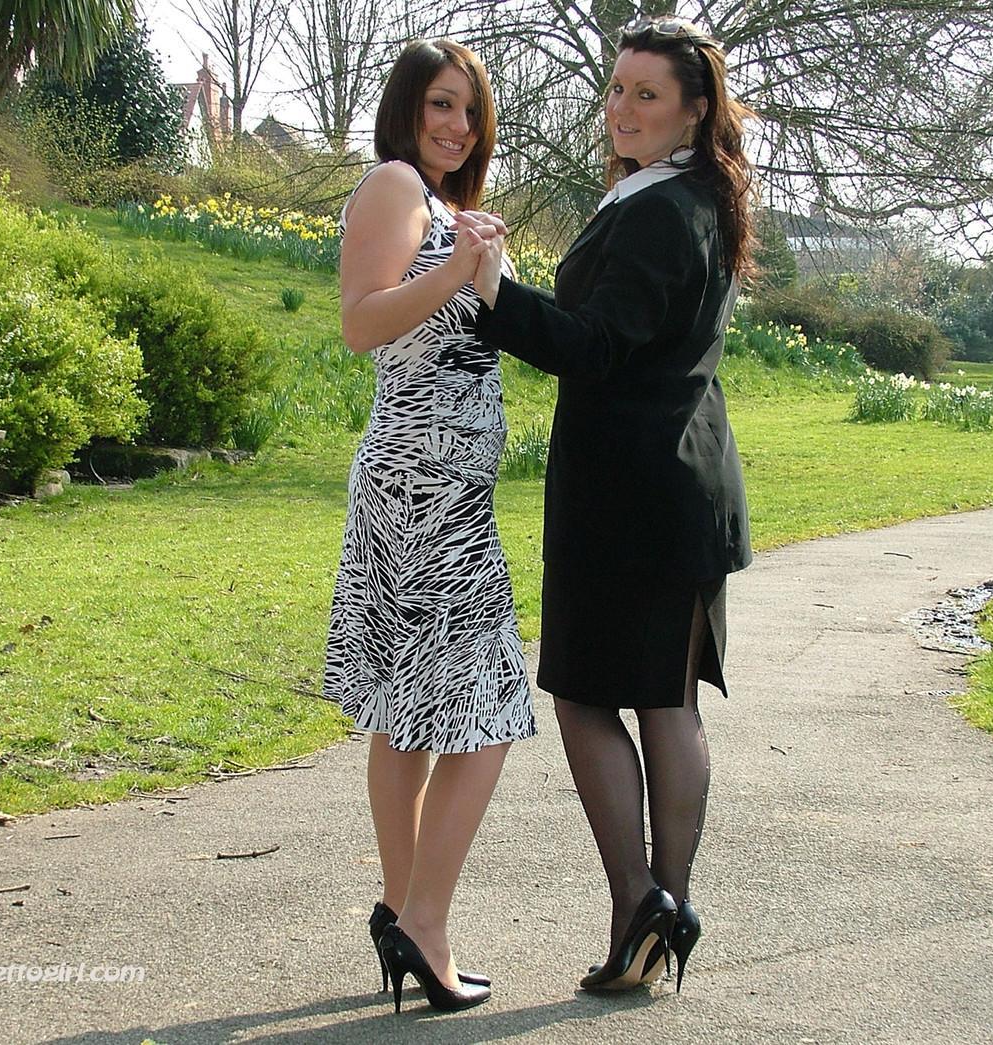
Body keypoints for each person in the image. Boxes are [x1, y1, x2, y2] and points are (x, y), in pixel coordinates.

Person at [461, 16, 755, 994]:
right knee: (660, 700)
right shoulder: (693, 201)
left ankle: (642, 903)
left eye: (645, 95)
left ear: (692, 110)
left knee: (589, 695)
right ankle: (653, 914)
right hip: (677, 488)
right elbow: (621, 334)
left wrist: (491, 288)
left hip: (631, 492)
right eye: (616, 89)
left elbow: (590, 346)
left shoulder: (660, 210)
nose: (621, 109)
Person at [322, 38, 535, 1014]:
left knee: (415, 708)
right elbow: (363, 322)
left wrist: (479, 267)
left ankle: (405, 911)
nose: (456, 126)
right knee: (485, 708)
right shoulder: (393, 184)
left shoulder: (440, 207)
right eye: (441, 105)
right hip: (422, 497)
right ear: (407, 107)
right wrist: (455, 269)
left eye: (469, 112)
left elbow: (463, 326)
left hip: (442, 493)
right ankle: (423, 922)